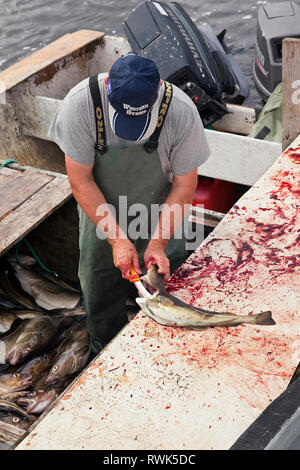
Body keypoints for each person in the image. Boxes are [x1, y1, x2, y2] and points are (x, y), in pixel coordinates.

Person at [48, 52, 210, 353]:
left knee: (173, 287)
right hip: (101, 210)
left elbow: (185, 186)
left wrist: (158, 244)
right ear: (108, 85)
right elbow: (80, 181)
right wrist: (117, 239)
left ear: (158, 89)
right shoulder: (79, 105)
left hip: (161, 210)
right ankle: (103, 349)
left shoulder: (182, 112)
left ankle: (169, 353)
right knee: (98, 286)